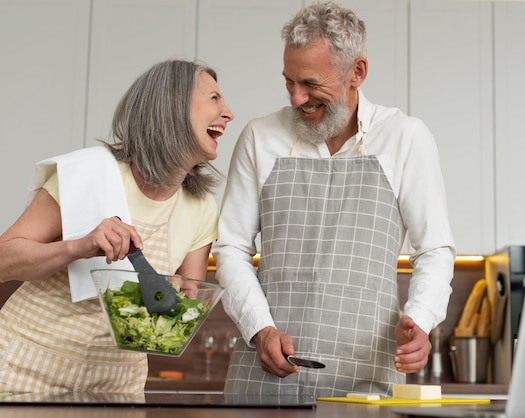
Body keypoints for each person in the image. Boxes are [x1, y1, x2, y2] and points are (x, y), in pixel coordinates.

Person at [213, 1, 455, 398]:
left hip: (365, 384)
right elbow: (231, 248)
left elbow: (434, 249)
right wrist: (260, 328)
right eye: (288, 81)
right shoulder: (260, 137)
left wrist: (420, 319)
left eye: (310, 83)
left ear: (356, 72)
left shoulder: (406, 138)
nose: (295, 97)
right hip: (264, 382)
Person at [0, 58, 234, 394]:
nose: (228, 113)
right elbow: (3, 260)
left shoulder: (201, 208)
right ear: (172, 104)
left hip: (114, 386)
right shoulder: (87, 173)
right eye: (215, 98)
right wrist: (77, 246)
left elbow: (183, 296)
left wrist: (181, 310)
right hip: (25, 369)